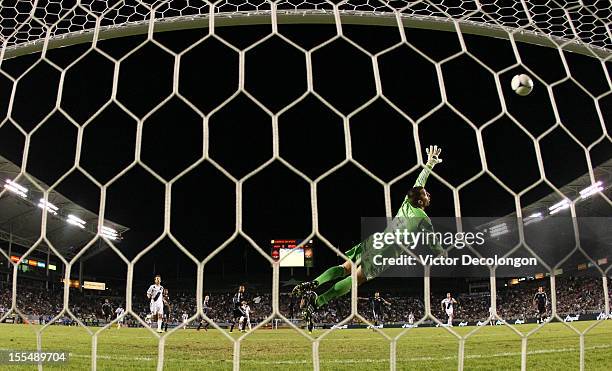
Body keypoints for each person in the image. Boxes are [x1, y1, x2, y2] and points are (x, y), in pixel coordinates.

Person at [293, 145, 444, 315]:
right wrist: (443, 253)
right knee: (355, 280)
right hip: (388, 250)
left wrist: (430, 164)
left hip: (378, 239)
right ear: (419, 201)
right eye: (425, 194)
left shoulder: (406, 202)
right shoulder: (424, 219)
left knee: (345, 267)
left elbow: (419, 182)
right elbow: (433, 243)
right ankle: (318, 301)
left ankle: (315, 283)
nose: (428, 194)